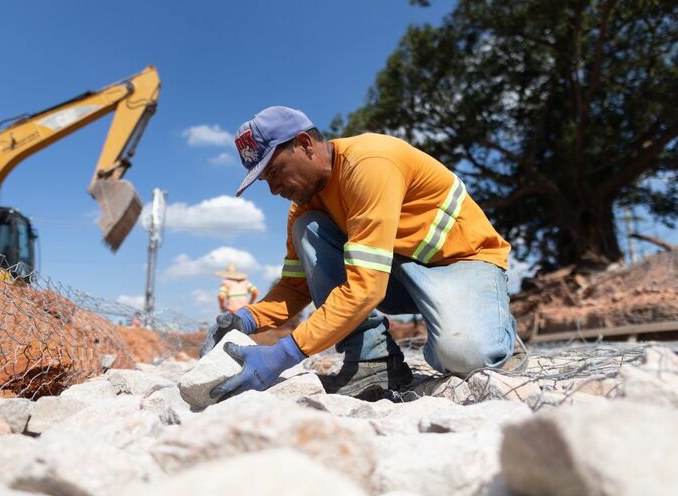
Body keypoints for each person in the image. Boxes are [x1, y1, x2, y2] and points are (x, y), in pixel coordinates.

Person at [202, 105, 519, 401]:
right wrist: (246, 319)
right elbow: (296, 287)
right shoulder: (304, 206)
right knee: (307, 228)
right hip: (397, 274)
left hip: (463, 263)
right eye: (264, 180)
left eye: (274, 171)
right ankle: (373, 359)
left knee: (463, 356)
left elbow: (365, 287)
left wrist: (285, 353)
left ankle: (498, 328)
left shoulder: (369, 164)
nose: (273, 189)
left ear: (304, 144)